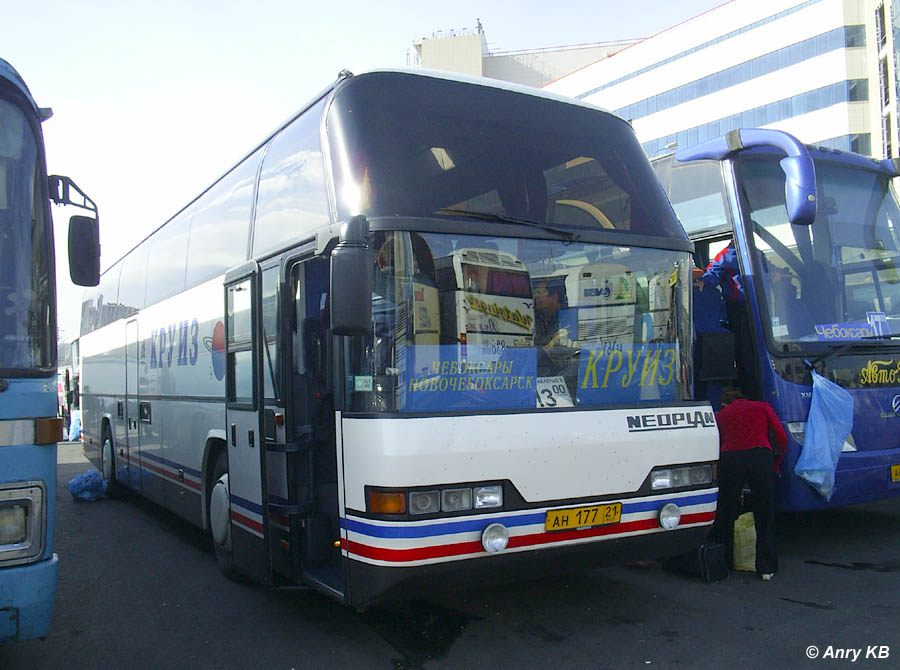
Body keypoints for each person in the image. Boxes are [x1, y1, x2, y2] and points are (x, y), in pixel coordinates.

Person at [709, 388, 787, 581]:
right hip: (760, 456)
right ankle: (766, 567)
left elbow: (716, 442)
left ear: (726, 403)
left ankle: (724, 562)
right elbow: (781, 436)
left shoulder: (721, 415)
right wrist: (775, 463)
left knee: (726, 511)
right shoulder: (762, 407)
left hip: (731, 458)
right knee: (765, 512)